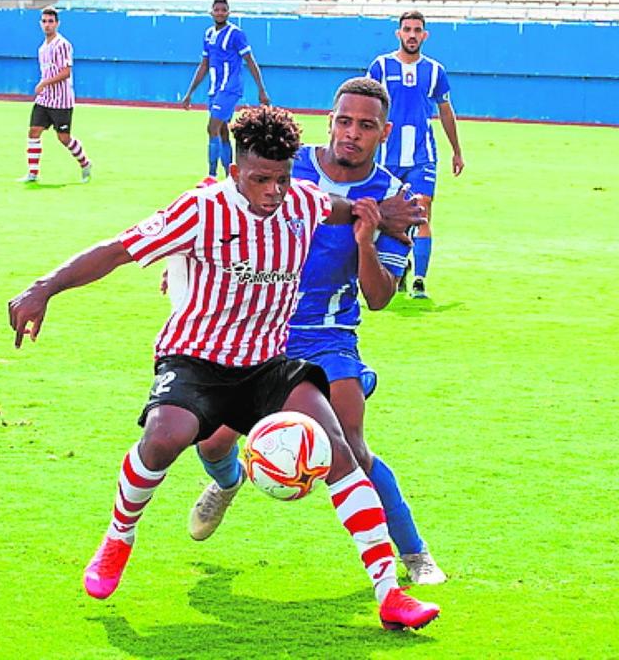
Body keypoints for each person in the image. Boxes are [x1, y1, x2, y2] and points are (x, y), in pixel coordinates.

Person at [7, 106, 439, 631]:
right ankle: (118, 540)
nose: (273, 192)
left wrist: (378, 215)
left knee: (339, 448)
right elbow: (117, 251)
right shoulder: (201, 209)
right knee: (167, 437)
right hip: (196, 357)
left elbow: (339, 207)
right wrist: (43, 287)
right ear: (235, 173)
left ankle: (390, 593)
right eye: (260, 180)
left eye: (282, 179)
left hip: (267, 364)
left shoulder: (301, 202)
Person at [187, 78, 448, 585]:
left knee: (350, 445)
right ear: (330, 121)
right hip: (258, 325)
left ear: (384, 132)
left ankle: (413, 554)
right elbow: (220, 206)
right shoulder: (287, 163)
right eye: (344, 121)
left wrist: (366, 241)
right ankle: (228, 482)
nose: (352, 133)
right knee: (212, 443)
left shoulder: (394, 199)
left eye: (366, 126)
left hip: (328, 334)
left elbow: (378, 298)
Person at [367, 10, 466, 299]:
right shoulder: (380, 67)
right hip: (386, 155)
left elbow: (446, 111)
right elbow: (364, 103)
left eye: (417, 30)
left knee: (422, 211)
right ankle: (397, 268)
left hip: (423, 154)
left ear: (425, 35)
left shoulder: (435, 71)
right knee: (384, 215)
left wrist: (457, 151)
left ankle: (420, 280)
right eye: (407, 29)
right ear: (398, 33)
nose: (412, 35)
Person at [179, 0, 270, 179]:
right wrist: (190, 93)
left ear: (228, 12)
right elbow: (204, 64)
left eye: (223, 10)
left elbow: (250, 61)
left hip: (230, 88)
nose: (220, 13)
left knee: (212, 127)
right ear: (211, 12)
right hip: (215, 89)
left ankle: (211, 176)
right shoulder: (208, 34)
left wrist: (261, 89)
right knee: (222, 132)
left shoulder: (236, 34)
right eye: (217, 9)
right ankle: (231, 175)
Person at [19, 6, 92, 183]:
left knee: (64, 138)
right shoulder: (42, 48)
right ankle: (32, 173)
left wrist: (44, 83)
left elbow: (66, 72)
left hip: (61, 100)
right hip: (45, 99)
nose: (47, 25)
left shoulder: (63, 45)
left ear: (57, 24)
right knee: (34, 131)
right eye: (44, 21)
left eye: (51, 21)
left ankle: (85, 163)